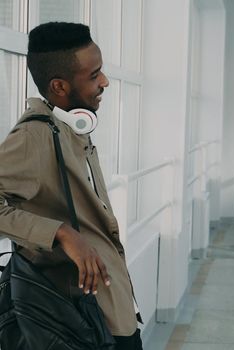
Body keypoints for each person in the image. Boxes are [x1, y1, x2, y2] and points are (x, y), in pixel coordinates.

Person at [0, 22, 142, 349]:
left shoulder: (71, 128)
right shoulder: (34, 137)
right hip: (82, 321)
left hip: (107, 312)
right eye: (94, 75)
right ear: (60, 86)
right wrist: (61, 233)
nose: (105, 82)